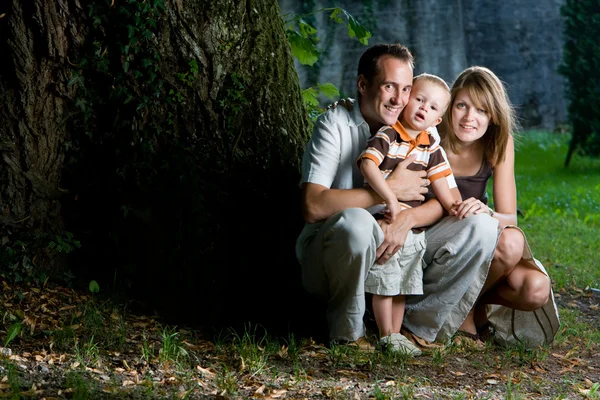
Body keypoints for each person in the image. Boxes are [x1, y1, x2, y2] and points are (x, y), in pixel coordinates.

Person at [295, 43, 498, 351]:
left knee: (481, 228)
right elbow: (312, 206)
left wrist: (407, 219)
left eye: (406, 89)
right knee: (357, 222)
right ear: (363, 85)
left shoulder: (421, 135)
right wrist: (388, 191)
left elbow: (437, 199)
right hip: (332, 259)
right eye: (389, 86)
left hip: (397, 244)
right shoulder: (334, 124)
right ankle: (348, 331)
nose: (398, 100)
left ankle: (414, 328)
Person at [406, 66, 559, 347]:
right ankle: (462, 321)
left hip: (479, 238)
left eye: (481, 110)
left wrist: (485, 211)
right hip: (433, 246)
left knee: (534, 286)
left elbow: (509, 216)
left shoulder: (497, 143)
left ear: (493, 116)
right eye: (462, 106)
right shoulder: (429, 134)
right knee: (497, 237)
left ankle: (470, 307)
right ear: (449, 108)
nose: (469, 118)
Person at [356, 73, 459, 353]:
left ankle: (396, 335)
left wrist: (457, 208)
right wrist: (389, 196)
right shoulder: (389, 134)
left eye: (433, 107)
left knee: (402, 282)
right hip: (386, 220)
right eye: (420, 99)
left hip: (414, 229)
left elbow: (444, 189)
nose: (424, 108)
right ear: (407, 100)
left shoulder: (432, 146)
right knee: (385, 281)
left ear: (437, 120)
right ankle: (385, 334)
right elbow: (367, 164)